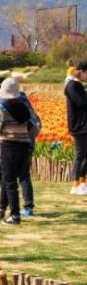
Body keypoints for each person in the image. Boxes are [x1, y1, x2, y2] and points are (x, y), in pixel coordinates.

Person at [0, 78, 39, 221]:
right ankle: (5, 209)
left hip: (8, 147)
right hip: (25, 145)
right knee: (19, 176)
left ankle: (13, 214)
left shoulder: (3, 108)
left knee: (8, 181)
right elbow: (33, 128)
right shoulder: (24, 108)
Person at [66, 61, 87, 195]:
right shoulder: (72, 85)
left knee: (85, 154)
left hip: (83, 124)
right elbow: (82, 102)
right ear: (82, 72)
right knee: (81, 154)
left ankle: (83, 182)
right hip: (78, 125)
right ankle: (76, 184)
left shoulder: (77, 85)